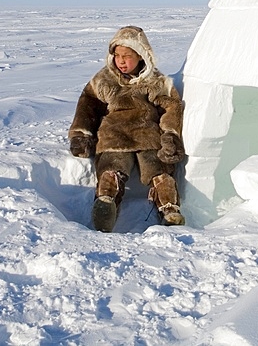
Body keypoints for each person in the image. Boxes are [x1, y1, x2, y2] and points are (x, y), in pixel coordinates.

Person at [68, 25, 186, 232]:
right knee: (112, 167)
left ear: (141, 56)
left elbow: (172, 106)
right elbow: (88, 105)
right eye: (117, 55)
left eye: (127, 56)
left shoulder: (156, 81)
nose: (121, 61)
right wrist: (81, 134)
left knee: (158, 169)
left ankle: (169, 208)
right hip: (114, 135)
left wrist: (170, 135)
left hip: (147, 135)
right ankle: (105, 201)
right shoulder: (104, 80)